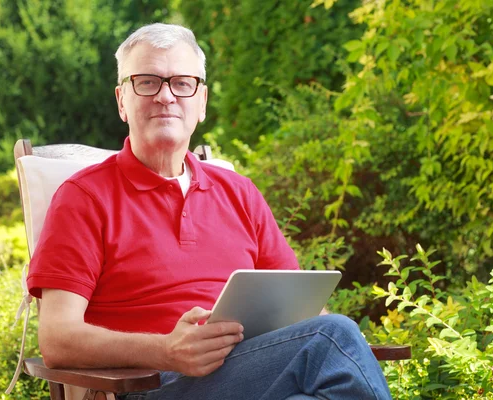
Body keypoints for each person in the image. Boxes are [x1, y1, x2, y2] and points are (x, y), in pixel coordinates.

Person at [26, 23, 392, 400]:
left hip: (253, 377)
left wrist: (340, 345)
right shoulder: (83, 197)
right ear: (122, 101)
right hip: (147, 385)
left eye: (182, 83)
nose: (166, 96)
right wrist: (166, 350)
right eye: (147, 82)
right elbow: (57, 339)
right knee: (335, 333)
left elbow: (304, 312)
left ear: (201, 102)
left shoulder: (239, 193)